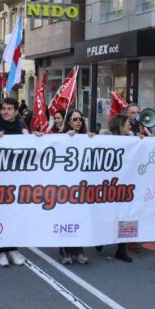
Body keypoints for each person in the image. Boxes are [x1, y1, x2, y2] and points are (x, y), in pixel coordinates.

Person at [0, 97, 29, 268]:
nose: (5, 111)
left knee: (15, 215)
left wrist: (37, 137)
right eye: (3, 108)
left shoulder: (22, 128)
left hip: (17, 180)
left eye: (9, 108)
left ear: (16, 111)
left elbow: (31, 146)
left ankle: (13, 249)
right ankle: (1, 251)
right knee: (0, 215)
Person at [58, 108, 94, 265]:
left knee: (81, 218)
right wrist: (65, 139)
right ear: (69, 122)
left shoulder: (87, 137)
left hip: (82, 185)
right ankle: (66, 251)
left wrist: (93, 139)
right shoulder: (62, 137)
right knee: (66, 217)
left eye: (80, 119)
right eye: (75, 119)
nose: (78, 122)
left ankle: (79, 249)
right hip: (66, 186)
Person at [98, 113, 134, 262]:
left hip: (126, 185)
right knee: (106, 215)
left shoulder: (132, 140)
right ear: (120, 124)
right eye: (127, 123)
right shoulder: (105, 138)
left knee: (125, 216)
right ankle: (99, 238)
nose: (130, 126)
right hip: (109, 184)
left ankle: (121, 249)